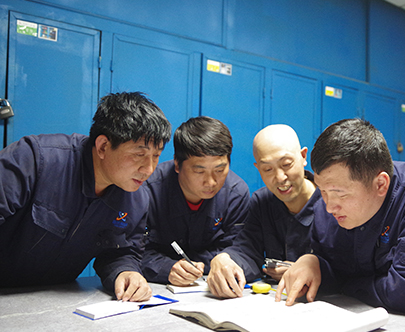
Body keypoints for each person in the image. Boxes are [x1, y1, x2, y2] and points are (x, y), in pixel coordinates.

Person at [276, 118, 405, 314]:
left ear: (380, 184)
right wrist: (314, 264)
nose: (329, 207)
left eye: (340, 194)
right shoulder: (326, 205)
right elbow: (333, 267)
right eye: (322, 191)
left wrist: (344, 284)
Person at [0, 92, 171, 301]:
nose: (149, 169)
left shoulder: (136, 199)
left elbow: (120, 252)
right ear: (103, 147)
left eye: (156, 156)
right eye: (139, 155)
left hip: (50, 302)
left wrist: (126, 272)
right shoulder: (36, 160)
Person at [206, 124, 321, 298]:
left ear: (303, 156)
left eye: (286, 164)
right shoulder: (262, 201)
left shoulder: (331, 202)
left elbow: (347, 265)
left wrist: (310, 270)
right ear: (258, 168)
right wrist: (225, 259)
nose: (280, 178)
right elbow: (248, 250)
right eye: (268, 169)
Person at [141, 116, 250, 286]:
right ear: (177, 164)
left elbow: (242, 250)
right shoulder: (148, 190)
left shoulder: (236, 194)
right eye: (199, 171)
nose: (211, 182)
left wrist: (223, 260)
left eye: (220, 170)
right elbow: (132, 251)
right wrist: (166, 268)